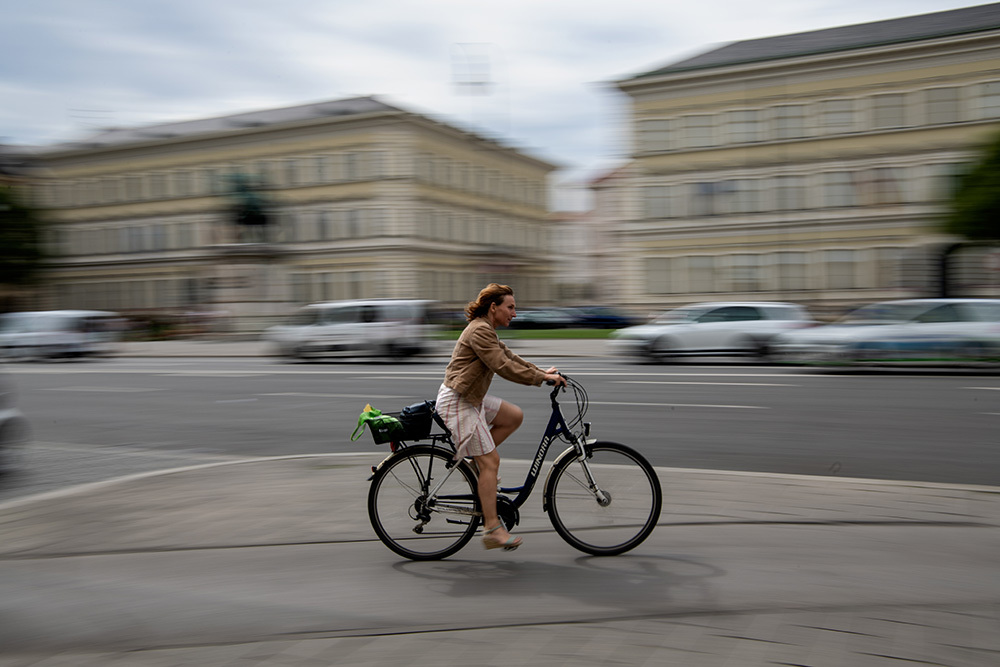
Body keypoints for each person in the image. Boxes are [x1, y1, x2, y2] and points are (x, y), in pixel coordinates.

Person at [435, 283, 565, 551]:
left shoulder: (486, 329)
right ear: (493, 308)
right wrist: (542, 379)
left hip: (471, 398)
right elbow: (503, 366)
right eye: (511, 307)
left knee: (513, 416)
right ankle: (492, 529)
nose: (514, 313)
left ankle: (474, 461)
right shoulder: (480, 330)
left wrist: (542, 371)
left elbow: (509, 356)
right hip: (457, 402)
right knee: (491, 461)